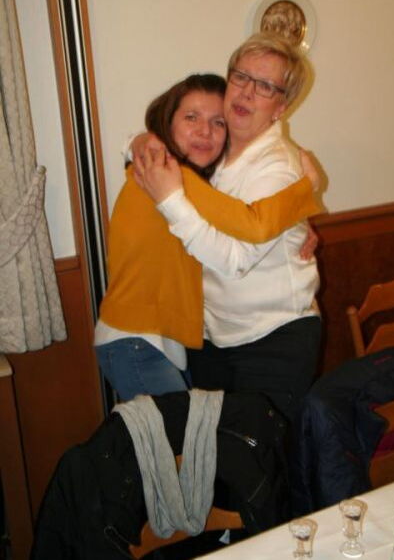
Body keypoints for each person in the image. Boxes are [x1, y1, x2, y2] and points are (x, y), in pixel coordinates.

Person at [95, 72, 320, 401]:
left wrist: (297, 225)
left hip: (157, 343)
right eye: (191, 117)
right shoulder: (168, 173)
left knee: (186, 434)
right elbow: (252, 224)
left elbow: (233, 223)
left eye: (218, 122)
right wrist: (307, 187)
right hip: (137, 343)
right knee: (181, 436)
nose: (205, 131)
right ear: (167, 122)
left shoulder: (188, 182)